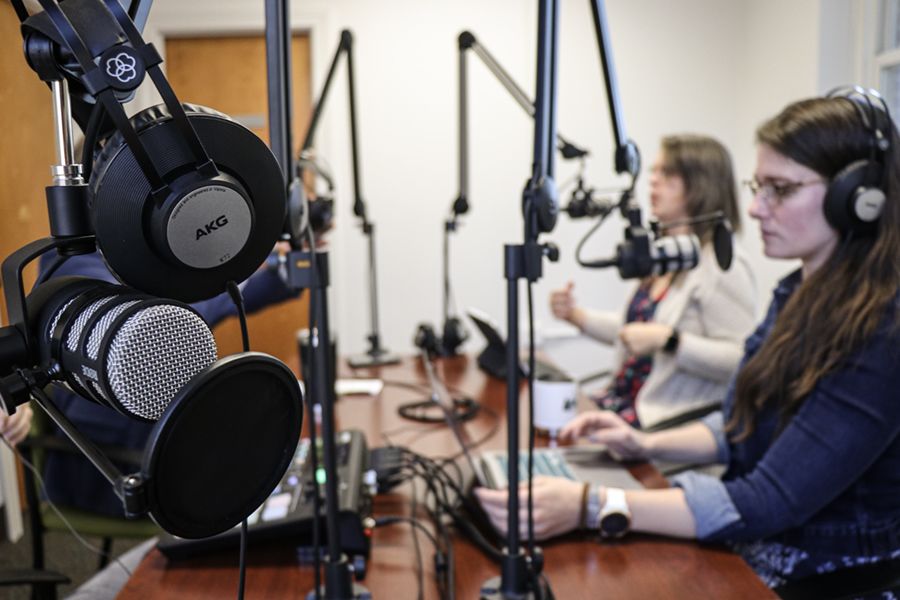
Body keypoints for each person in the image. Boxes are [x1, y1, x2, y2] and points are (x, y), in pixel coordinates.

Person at [477, 90, 900, 590]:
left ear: (860, 199)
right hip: (755, 541)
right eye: (757, 186)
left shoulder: (882, 332)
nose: (757, 208)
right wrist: (644, 441)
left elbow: (766, 501)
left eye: (780, 190)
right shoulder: (796, 292)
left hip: (825, 573)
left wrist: (592, 505)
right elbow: (745, 424)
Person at [39, 248, 299, 517]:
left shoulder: (139, 255)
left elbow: (229, 298)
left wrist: (288, 264)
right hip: (112, 465)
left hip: (168, 445)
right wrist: (234, 270)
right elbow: (153, 325)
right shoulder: (71, 258)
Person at [551, 134, 757, 428]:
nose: (653, 181)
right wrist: (576, 316)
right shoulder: (664, 256)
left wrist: (671, 341)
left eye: (668, 174)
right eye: (654, 172)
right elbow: (636, 332)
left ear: (701, 185)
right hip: (618, 404)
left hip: (657, 426)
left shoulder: (724, 265)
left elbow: (741, 361)